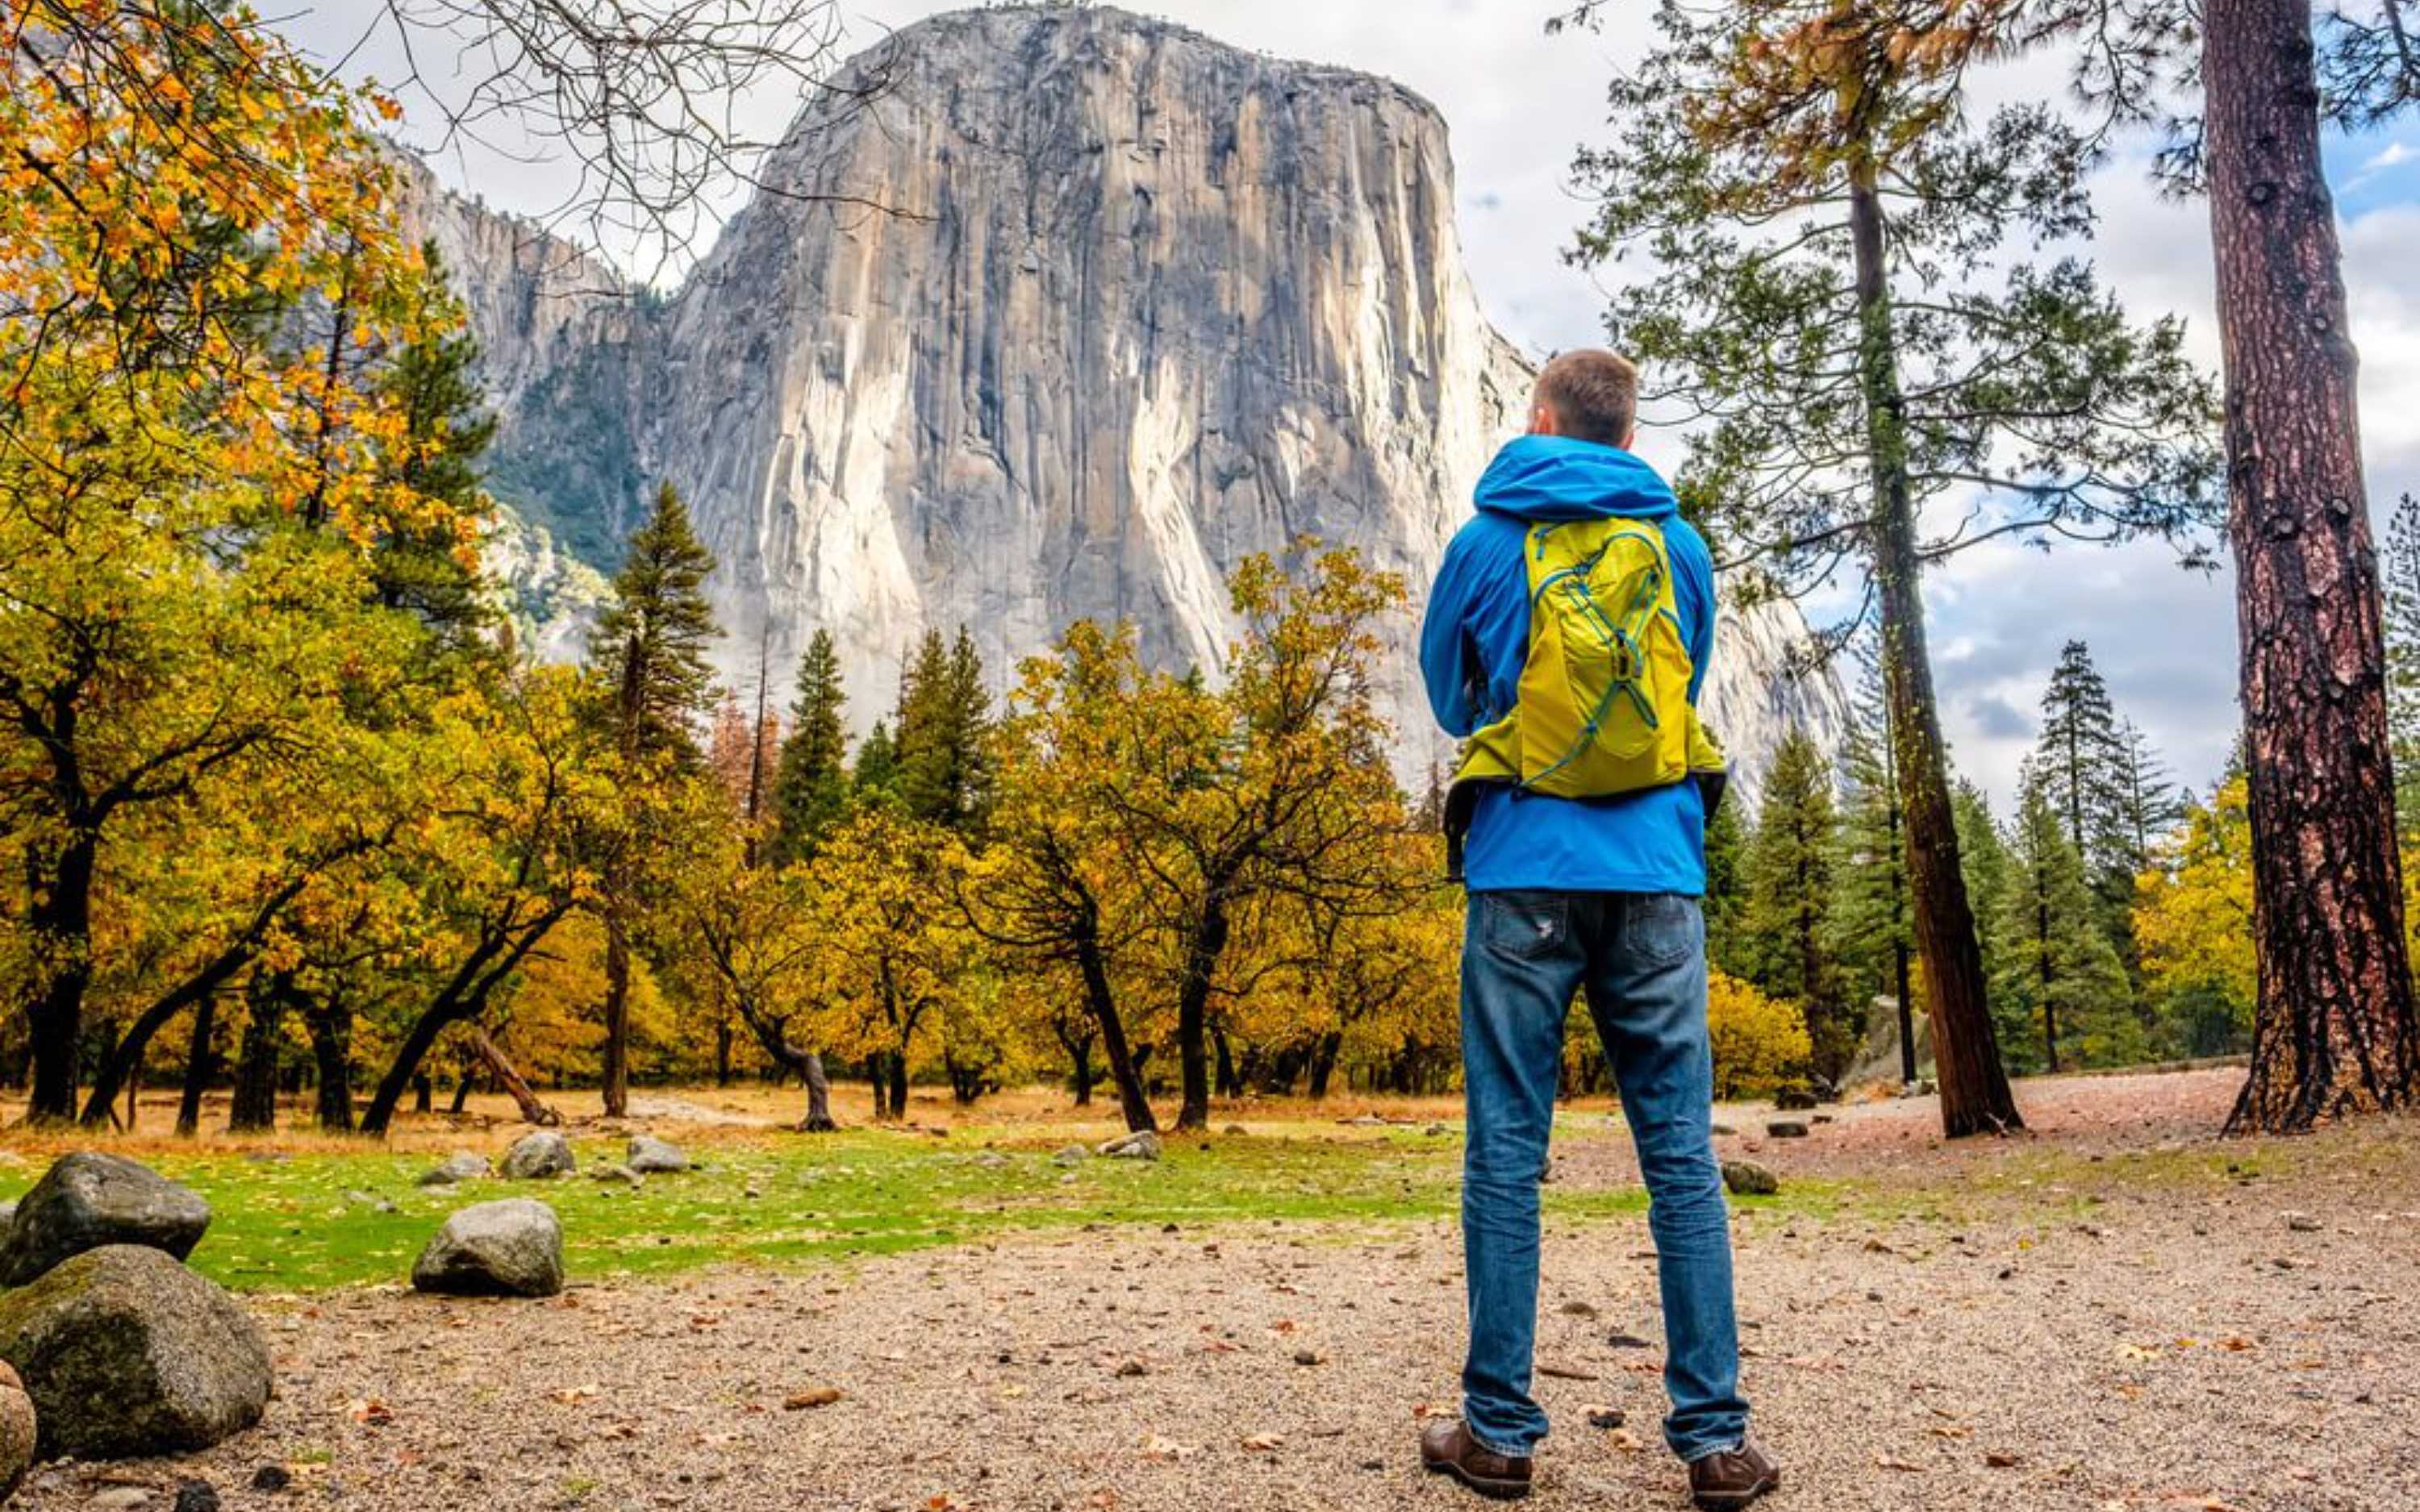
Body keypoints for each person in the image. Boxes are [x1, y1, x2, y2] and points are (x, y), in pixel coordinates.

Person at [1413, 349, 1780, 1509]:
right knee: (1680, 1157)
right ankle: (1715, 1441)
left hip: (1522, 868)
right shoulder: (1677, 546)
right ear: (1627, 434)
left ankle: (1499, 1433)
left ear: (1541, 420)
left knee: (1507, 1153)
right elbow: (1686, 682)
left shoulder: (1484, 544)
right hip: (1658, 873)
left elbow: (1447, 692)